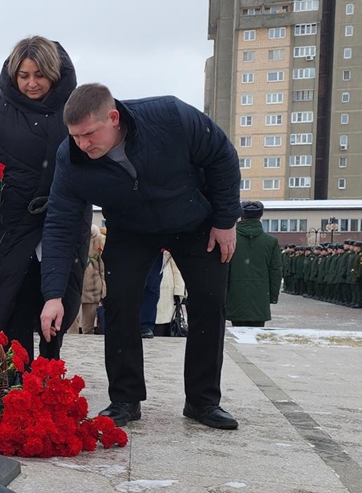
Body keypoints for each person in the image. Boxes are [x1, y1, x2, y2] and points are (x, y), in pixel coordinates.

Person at [40, 83, 242, 430]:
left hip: (193, 220)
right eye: (74, 136)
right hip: (130, 227)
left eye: (89, 134)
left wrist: (225, 221)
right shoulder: (70, 158)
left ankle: (203, 400)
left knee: (210, 302)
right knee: (120, 302)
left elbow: (222, 156)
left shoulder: (171, 117)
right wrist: (53, 294)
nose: (82, 145)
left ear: (113, 118)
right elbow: (60, 222)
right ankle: (125, 398)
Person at [0, 35, 82, 367]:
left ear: (53, 73)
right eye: (24, 75)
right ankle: (18, 372)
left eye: (39, 75)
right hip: (12, 221)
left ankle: (49, 370)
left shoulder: (73, 108)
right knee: (13, 299)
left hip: (60, 219)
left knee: (57, 298)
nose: (32, 83)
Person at [226, 200, 281, 328]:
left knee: (238, 331)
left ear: (241, 216)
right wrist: (272, 296)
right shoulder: (271, 242)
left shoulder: (230, 240)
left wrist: (223, 295)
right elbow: (275, 271)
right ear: (260, 216)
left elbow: (224, 270)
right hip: (260, 296)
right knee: (257, 333)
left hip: (235, 295)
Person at [70, 224, 106, 334]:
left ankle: (85, 343)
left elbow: (103, 266)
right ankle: (72, 343)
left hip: (92, 286)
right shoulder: (71, 236)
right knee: (71, 324)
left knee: (88, 327)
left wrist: (104, 289)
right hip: (75, 284)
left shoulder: (99, 239)